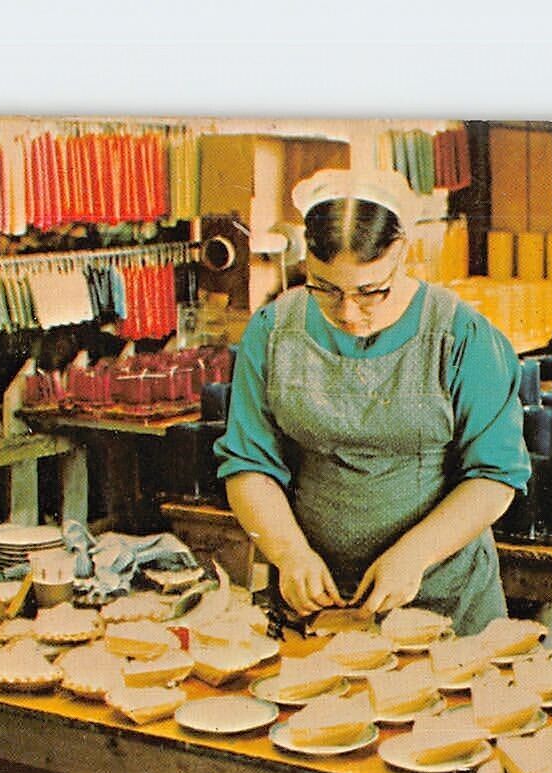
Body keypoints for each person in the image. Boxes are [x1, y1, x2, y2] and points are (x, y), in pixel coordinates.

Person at [215, 169, 530, 635]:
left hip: (441, 599)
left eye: (370, 291)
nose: (346, 312)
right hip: (317, 602)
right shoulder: (273, 331)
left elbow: (495, 476)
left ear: (402, 251)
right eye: (324, 287)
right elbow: (248, 464)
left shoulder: (461, 336)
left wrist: (414, 554)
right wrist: (289, 553)